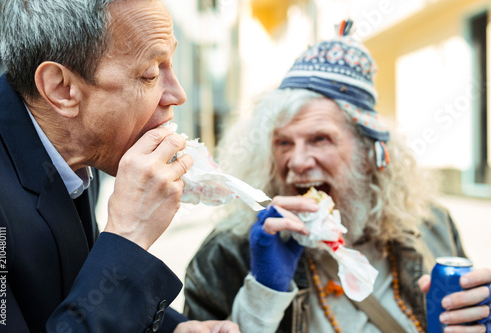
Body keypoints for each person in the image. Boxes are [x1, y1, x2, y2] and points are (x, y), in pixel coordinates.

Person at [183, 20, 491, 332]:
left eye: (320, 139)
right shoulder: (226, 254)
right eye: (283, 143)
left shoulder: (435, 226)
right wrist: (262, 295)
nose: (297, 162)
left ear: (369, 154)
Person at [0, 1, 239, 332]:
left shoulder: (75, 156)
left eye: (171, 63)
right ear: (62, 88)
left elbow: (77, 292)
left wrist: (174, 329)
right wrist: (129, 235)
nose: (177, 94)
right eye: (151, 73)